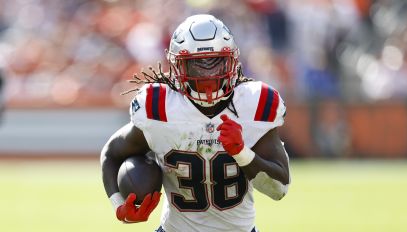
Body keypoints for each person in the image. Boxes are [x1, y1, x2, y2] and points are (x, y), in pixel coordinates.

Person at [101, 14, 290, 232]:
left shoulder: (255, 103)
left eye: (215, 63)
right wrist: (119, 205)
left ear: (232, 61)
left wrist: (242, 153)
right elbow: (112, 153)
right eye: (196, 65)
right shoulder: (159, 107)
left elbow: (279, 190)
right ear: (177, 66)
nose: (207, 76)